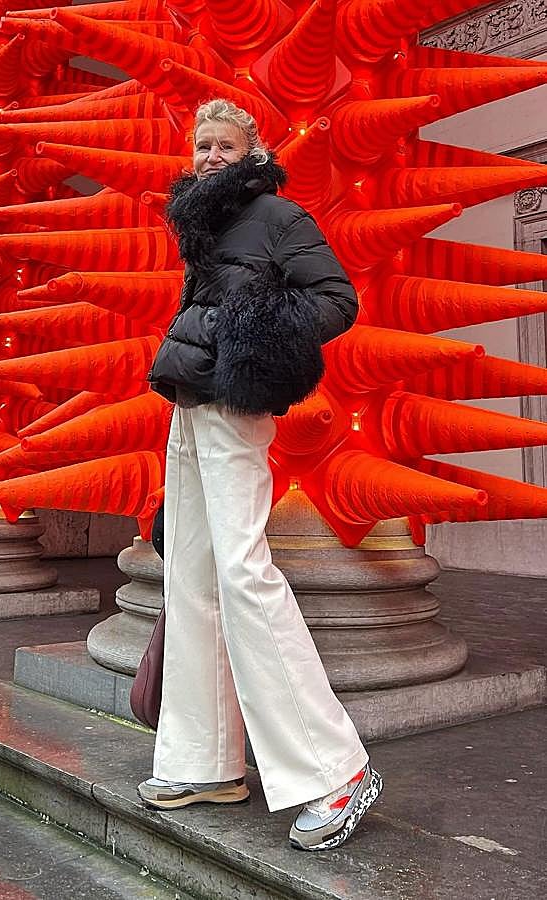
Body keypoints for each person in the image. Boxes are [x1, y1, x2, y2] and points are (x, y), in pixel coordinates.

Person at [138, 99, 382, 851]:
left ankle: (336, 770)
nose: (210, 155)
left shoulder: (279, 216)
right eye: (201, 145)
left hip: (235, 403)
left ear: (252, 152)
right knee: (192, 575)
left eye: (225, 145)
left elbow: (337, 300)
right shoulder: (205, 222)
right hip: (190, 405)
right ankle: (204, 762)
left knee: (242, 573)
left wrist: (246, 337)